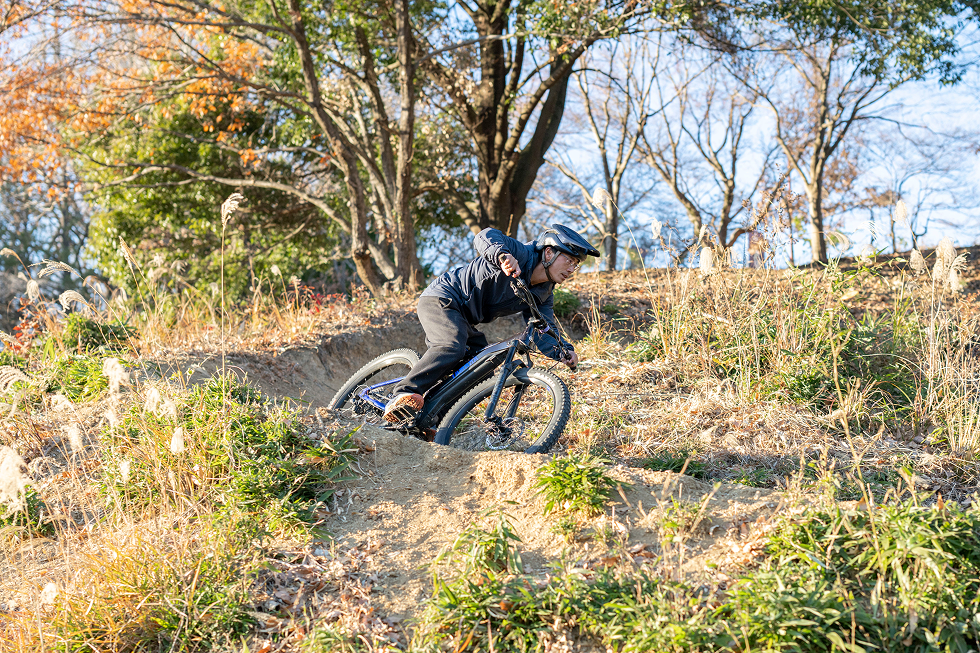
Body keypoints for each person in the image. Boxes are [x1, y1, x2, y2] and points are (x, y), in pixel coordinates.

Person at [383, 224, 600, 422]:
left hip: (464, 319)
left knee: (482, 368)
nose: (572, 269)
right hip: (443, 298)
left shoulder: (543, 294)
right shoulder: (520, 253)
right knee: (451, 346)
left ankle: (431, 417)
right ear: (549, 252)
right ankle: (404, 392)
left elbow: (543, 326)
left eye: (576, 264)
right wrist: (503, 256)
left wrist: (562, 350)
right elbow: (485, 236)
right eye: (569, 260)